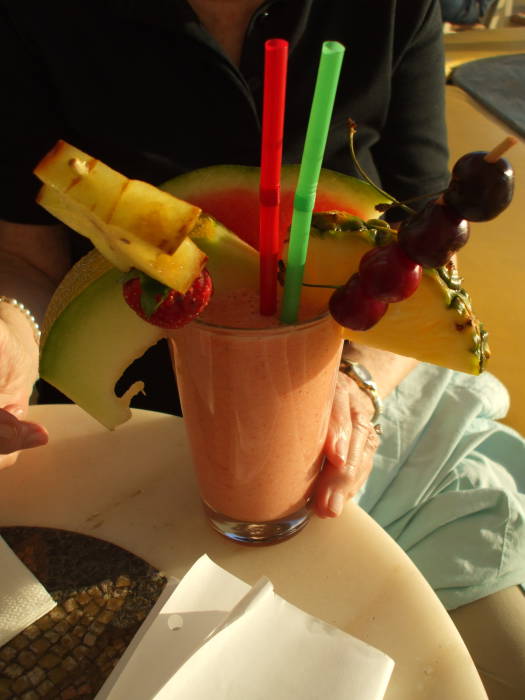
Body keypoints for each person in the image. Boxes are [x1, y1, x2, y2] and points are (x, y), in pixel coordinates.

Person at [0, 1, 524, 695]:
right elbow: (26, 263)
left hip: (372, 399)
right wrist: (9, 332)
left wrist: (362, 390)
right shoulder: (33, 18)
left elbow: (426, 259)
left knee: (497, 662)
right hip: (131, 443)